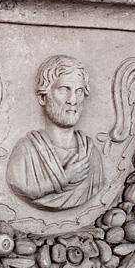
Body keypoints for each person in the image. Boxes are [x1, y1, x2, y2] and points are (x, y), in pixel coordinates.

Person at [6, 55, 105, 210]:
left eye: (79, 91)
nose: (73, 100)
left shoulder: (92, 156)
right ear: (42, 97)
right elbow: (19, 185)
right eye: (64, 89)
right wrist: (64, 178)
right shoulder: (25, 152)